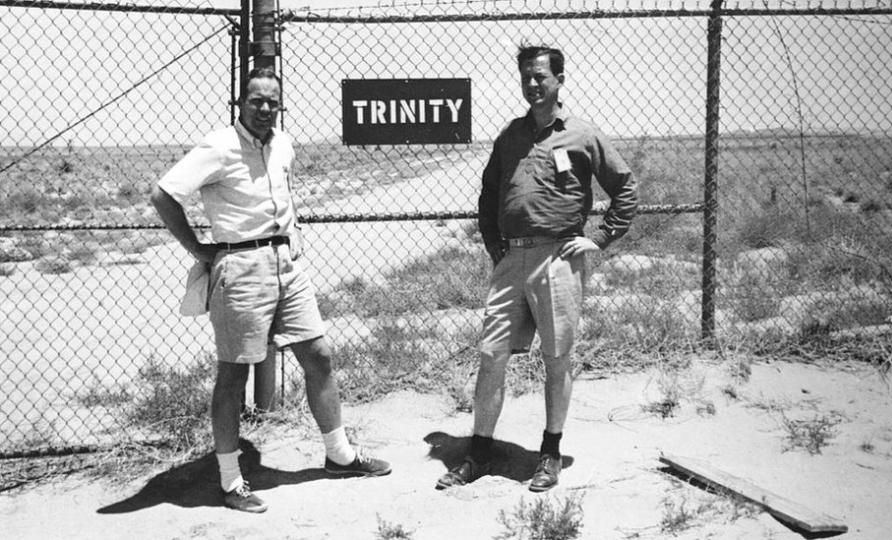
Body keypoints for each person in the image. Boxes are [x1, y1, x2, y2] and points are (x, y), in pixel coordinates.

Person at [150, 67, 391, 513]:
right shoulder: (218, 147)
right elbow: (164, 195)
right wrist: (199, 249)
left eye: (272, 101)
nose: (265, 108)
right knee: (233, 375)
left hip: (287, 264)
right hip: (240, 267)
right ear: (240, 103)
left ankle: (339, 456)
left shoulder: (283, 143)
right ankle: (230, 480)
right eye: (256, 100)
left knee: (318, 355)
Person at [435, 45, 639, 492]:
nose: (532, 84)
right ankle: (480, 452)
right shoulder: (510, 136)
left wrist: (600, 237)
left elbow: (625, 186)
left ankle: (550, 452)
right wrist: (497, 249)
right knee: (491, 356)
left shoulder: (582, 135)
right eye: (526, 77)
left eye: (541, 77)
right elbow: (488, 198)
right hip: (513, 259)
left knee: (556, 358)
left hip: (561, 257)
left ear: (559, 80)